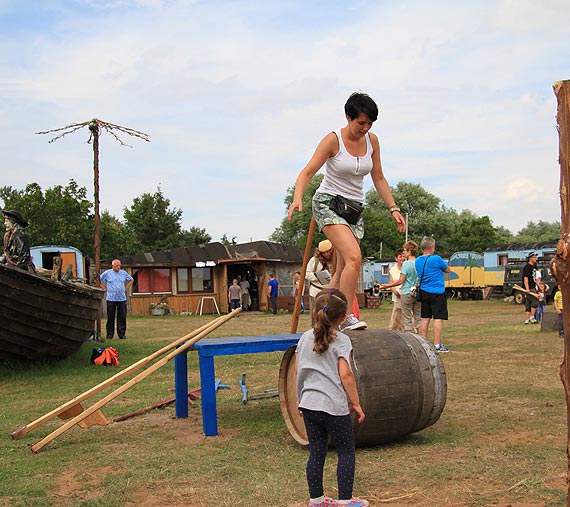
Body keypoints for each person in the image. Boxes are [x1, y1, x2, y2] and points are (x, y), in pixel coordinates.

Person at [288, 92, 406, 332]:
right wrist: (297, 197)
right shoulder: (333, 140)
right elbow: (307, 172)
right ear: (348, 117)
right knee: (354, 258)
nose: (365, 128)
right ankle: (346, 317)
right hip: (328, 203)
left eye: (370, 124)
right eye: (361, 123)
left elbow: (379, 177)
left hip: (353, 210)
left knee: (341, 270)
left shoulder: (373, 141)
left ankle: (324, 318)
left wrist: (393, 208)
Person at [295, 288, 369, 507]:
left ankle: (316, 500)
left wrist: (300, 399)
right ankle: (346, 500)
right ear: (343, 318)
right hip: (334, 408)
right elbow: (346, 375)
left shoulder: (304, 338)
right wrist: (355, 403)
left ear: (316, 311)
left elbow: (299, 372)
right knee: (346, 451)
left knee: (316, 452)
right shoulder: (342, 341)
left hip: (309, 405)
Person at [415, 237, 451, 353]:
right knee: (438, 318)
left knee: (425, 318)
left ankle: (424, 344)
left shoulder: (418, 260)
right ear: (431, 247)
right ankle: (437, 344)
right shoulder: (436, 259)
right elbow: (447, 269)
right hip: (437, 292)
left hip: (424, 291)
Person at [379, 241, 420, 334]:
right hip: (417, 292)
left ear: (409, 251)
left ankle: (410, 340)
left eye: (405, 250)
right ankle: (421, 338)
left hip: (406, 292)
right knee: (418, 318)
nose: (404, 252)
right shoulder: (419, 262)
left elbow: (401, 281)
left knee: (407, 319)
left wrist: (387, 285)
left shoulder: (406, 264)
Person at [99, 259, 133, 340]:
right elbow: (98, 280)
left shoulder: (123, 273)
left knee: (122, 317)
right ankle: (110, 335)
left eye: (119, 265)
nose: (118, 267)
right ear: (113, 266)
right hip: (111, 298)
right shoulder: (107, 273)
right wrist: (104, 288)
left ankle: (122, 334)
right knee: (110, 317)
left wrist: (125, 288)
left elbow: (131, 279)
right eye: (117, 265)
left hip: (121, 298)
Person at [305, 240, 335, 325]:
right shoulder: (315, 260)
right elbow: (306, 273)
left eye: (328, 252)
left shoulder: (336, 259)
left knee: (330, 318)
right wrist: (318, 277)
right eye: (323, 252)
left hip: (331, 293)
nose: (326, 254)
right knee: (316, 318)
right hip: (316, 292)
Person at [388, 248, 405, 331]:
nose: (402, 258)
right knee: (396, 314)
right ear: (396, 258)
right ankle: (394, 330)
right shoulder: (393, 270)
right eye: (400, 256)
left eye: (403, 256)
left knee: (407, 314)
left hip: (406, 294)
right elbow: (391, 283)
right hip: (396, 296)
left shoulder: (407, 268)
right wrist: (395, 291)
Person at [522, 252, 539, 325]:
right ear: (530, 258)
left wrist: (539, 285)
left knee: (528, 303)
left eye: (536, 257)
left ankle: (526, 320)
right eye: (534, 257)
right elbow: (525, 278)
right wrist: (527, 288)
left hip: (533, 285)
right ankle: (532, 317)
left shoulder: (535, 265)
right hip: (529, 287)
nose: (535, 258)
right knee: (535, 301)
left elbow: (536, 276)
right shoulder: (527, 267)